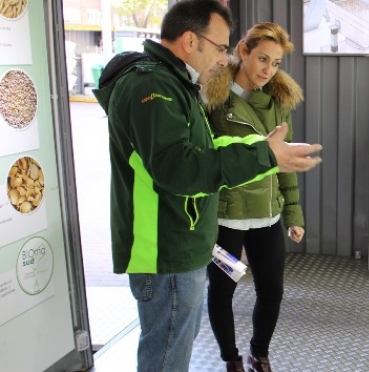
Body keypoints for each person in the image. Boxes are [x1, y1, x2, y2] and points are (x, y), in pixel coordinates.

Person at [92, 3, 322, 372]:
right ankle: (231, 357)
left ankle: (255, 353)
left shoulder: (177, 85)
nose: (223, 58)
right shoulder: (155, 86)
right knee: (167, 355)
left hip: (183, 246)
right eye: (220, 47)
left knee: (176, 348)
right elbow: (179, 168)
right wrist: (265, 156)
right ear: (189, 41)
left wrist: (266, 153)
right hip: (166, 252)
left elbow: (207, 148)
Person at [202, 22, 305, 372]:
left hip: (266, 215)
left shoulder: (278, 102)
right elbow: (203, 161)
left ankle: (259, 354)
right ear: (243, 51)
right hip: (225, 217)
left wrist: (294, 215)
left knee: (272, 291)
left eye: (275, 63)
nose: (267, 69)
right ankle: (230, 359)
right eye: (262, 58)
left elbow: (285, 161)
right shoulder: (212, 98)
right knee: (222, 290)